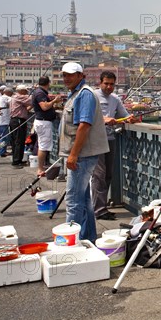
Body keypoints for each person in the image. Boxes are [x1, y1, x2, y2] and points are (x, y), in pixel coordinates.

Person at [59, 62, 109, 243]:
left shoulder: (85, 95)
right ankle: (88, 238)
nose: (67, 78)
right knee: (85, 200)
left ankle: (70, 243)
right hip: (79, 154)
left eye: (71, 75)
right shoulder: (74, 94)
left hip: (82, 155)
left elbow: (84, 126)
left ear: (81, 76)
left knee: (73, 200)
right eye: (64, 75)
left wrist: (73, 154)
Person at [91, 71, 136, 221]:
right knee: (99, 175)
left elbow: (123, 115)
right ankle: (98, 209)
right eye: (106, 83)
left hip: (110, 138)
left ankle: (101, 205)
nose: (109, 87)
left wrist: (129, 119)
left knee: (108, 174)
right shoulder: (92, 96)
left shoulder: (115, 99)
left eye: (112, 84)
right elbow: (88, 116)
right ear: (100, 83)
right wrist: (104, 119)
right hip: (95, 139)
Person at [32, 76, 62, 176]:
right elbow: (44, 107)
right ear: (48, 83)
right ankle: (40, 169)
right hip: (43, 122)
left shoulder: (39, 92)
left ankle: (41, 167)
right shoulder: (40, 93)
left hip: (42, 122)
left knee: (43, 145)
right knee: (43, 147)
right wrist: (55, 101)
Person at [9, 84, 33, 168]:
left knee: (19, 140)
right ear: (21, 91)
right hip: (18, 121)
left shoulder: (15, 97)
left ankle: (18, 159)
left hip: (16, 120)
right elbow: (32, 100)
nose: (27, 92)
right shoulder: (19, 97)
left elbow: (25, 109)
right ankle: (16, 161)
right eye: (25, 91)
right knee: (18, 140)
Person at [0, 88, 13, 157]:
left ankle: (2, 150)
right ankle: (2, 151)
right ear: (9, 93)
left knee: (2, 137)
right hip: (5, 120)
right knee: (4, 138)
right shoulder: (8, 98)